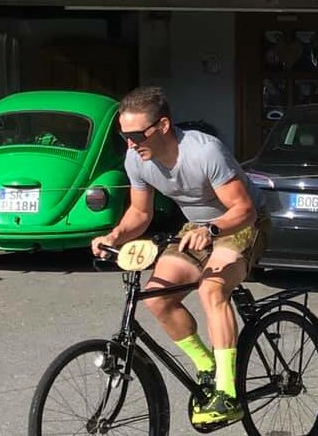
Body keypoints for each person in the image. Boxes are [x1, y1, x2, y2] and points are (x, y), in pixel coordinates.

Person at [91, 86, 267, 426]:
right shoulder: (136, 159)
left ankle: (228, 393)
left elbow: (243, 209)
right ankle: (207, 366)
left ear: (164, 126)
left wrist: (212, 230)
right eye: (122, 135)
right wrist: (113, 236)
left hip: (244, 223)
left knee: (211, 289)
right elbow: (140, 214)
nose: (129, 142)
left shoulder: (204, 152)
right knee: (157, 298)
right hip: (197, 227)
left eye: (136, 134)